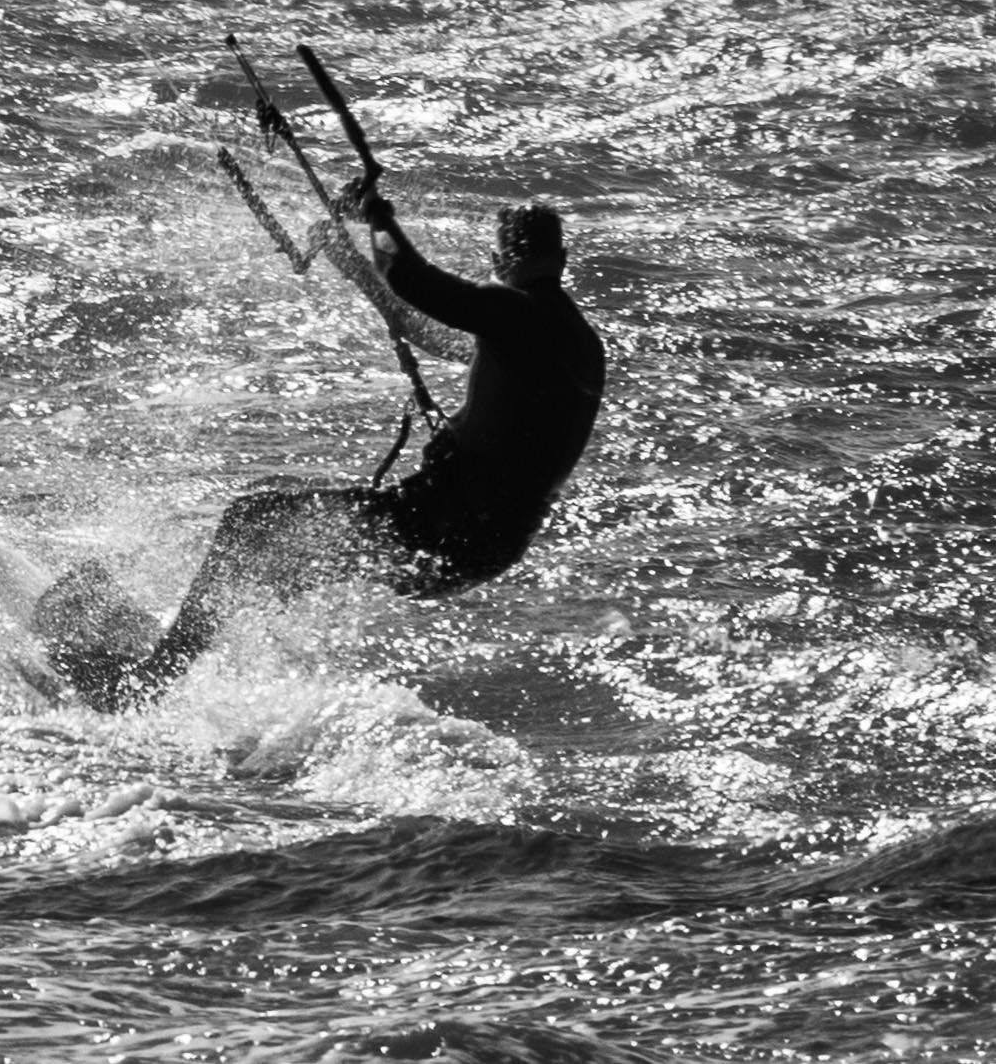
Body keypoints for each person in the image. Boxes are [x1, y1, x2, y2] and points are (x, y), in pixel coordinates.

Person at [35, 195, 606, 712]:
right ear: (561, 259)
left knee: (250, 524)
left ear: (498, 259)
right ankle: (202, 676)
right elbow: (423, 327)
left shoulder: (515, 310)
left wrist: (378, 217)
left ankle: (149, 682)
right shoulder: (571, 337)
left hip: (444, 525)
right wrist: (349, 259)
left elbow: (412, 280)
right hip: (482, 544)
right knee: (284, 550)